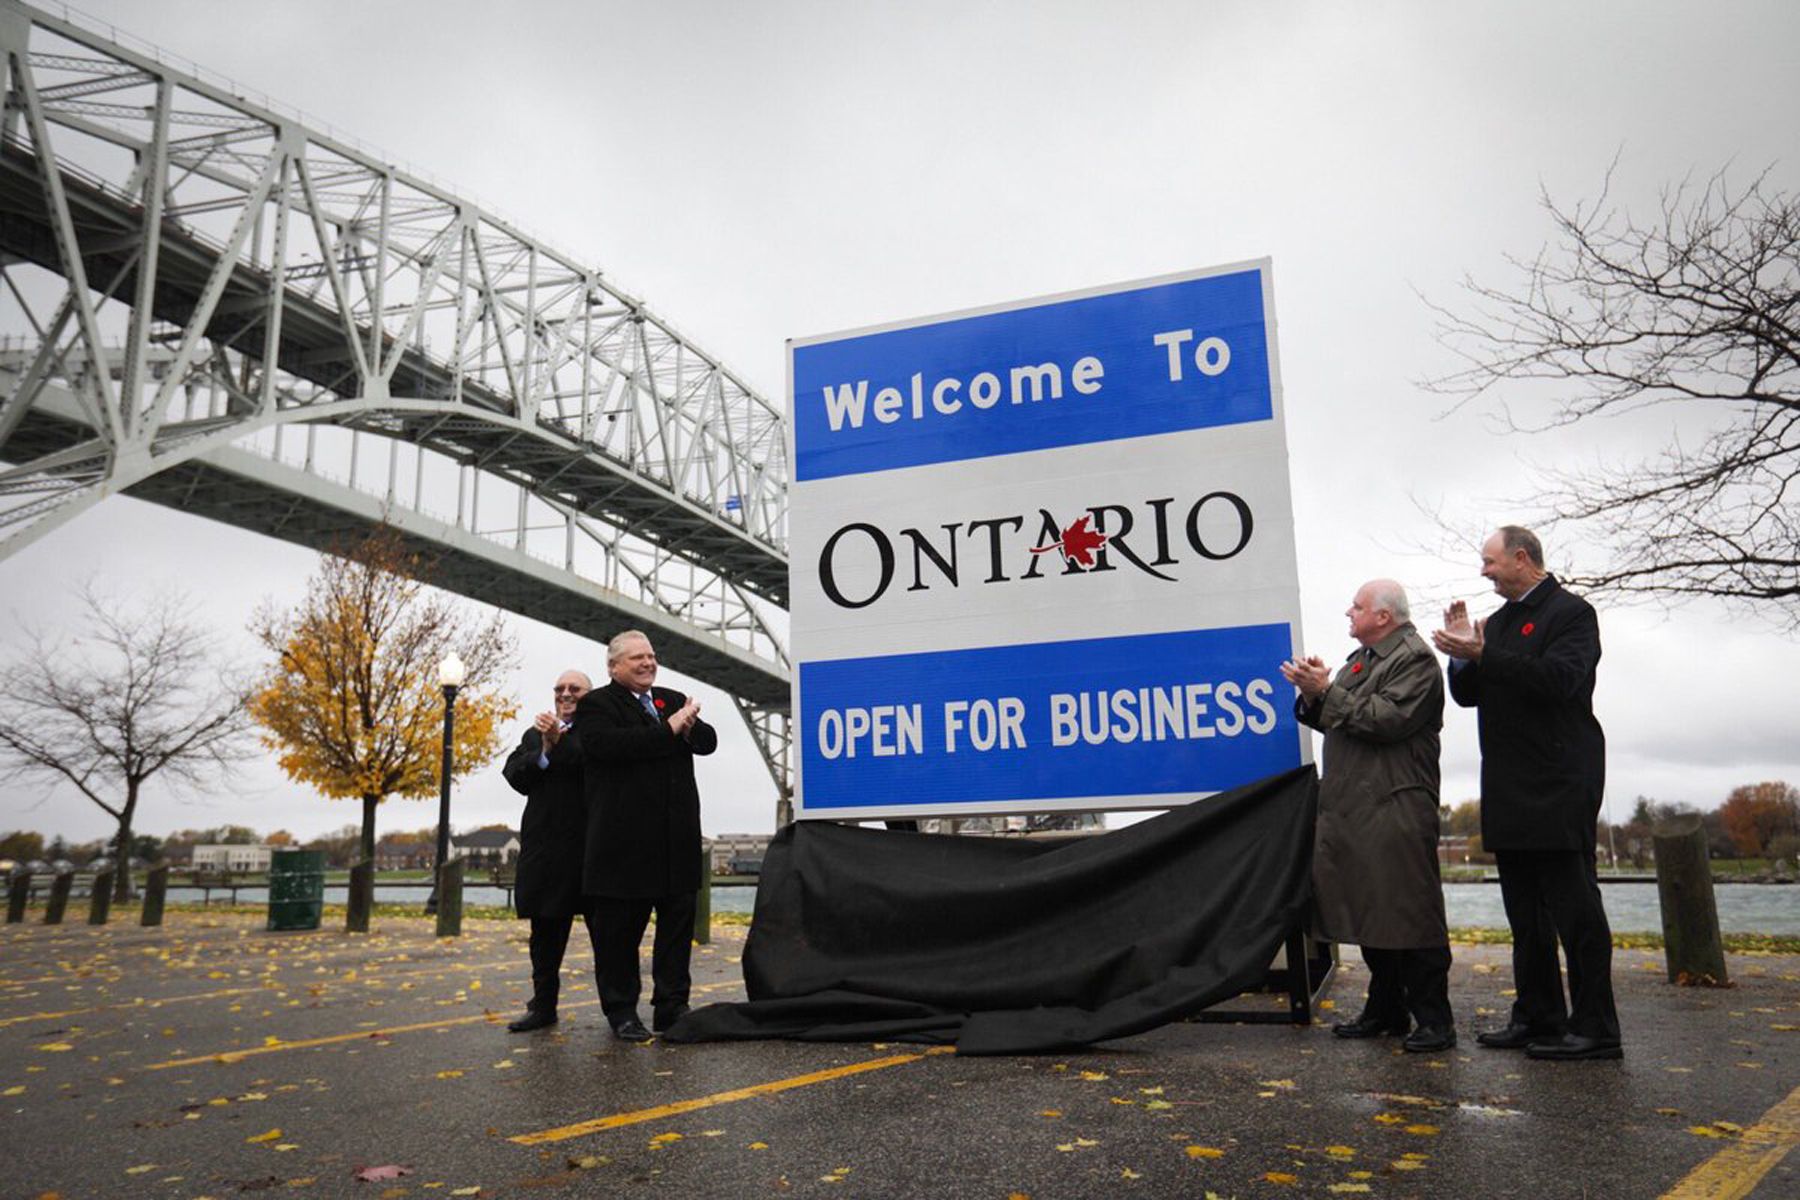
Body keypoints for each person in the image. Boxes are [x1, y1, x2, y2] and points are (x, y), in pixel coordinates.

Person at [1432, 525, 1621, 1061]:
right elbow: (1468, 695)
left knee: (1575, 911)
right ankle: (1539, 1016)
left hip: (1561, 780)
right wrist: (1463, 655)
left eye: (1490, 562)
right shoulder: (1497, 623)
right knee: (1526, 916)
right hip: (1509, 785)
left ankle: (1596, 1028)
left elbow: (1560, 680)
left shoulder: (1572, 614)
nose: (1484, 571)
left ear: (1521, 558)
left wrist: (1485, 655)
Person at [1282, 579, 1455, 1053]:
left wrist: (1329, 690)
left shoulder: (1415, 659)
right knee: (1372, 910)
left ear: (1384, 616)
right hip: (1358, 808)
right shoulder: (1365, 660)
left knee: (1410, 911)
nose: (1348, 612)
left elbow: (1385, 719)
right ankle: (1386, 1010)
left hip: (1395, 805)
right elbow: (1338, 715)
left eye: (1357, 607)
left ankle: (1435, 1020)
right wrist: (1315, 692)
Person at [573, 630, 717, 1042]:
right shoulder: (596, 706)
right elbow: (611, 747)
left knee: (675, 932)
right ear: (614, 666)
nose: (647, 663)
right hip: (625, 846)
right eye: (636, 657)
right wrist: (669, 730)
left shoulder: (670, 699)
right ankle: (621, 1011)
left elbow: (707, 742)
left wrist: (688, 728)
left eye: (651, 656)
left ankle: (672, 1008)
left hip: (676, 842)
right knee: (619, 936)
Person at [500, 669, 598, 1032]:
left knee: (607, 939)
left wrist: (561, 741)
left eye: (575, 688)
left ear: (591, 695)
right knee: (544, 939)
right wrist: (543, 749)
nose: (566, 694)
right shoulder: (534, 734)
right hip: (548, 854)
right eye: (559, 688)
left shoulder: (601, 731)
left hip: (592, 853)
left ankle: (619, 1011)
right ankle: (543, 1006)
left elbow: (590, 767)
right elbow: (515, 776)